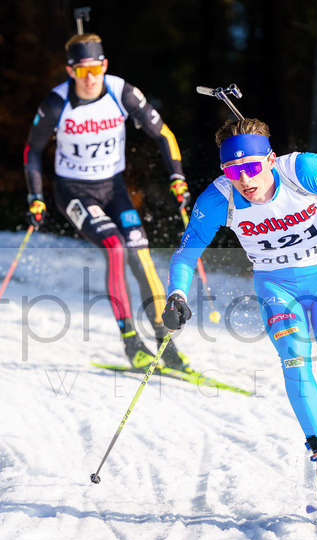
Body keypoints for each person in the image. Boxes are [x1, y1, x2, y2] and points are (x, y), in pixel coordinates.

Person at [161, 117, 317, 522]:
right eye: (232, 170)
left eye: (251, 167)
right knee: (296, 365)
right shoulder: (218, 199)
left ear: (270, 159)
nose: (244, 179)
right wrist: (176, 294)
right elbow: (185, 254)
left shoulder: (305, 170)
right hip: (276, 288)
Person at [23, 33, 192, 371]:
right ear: (70, 71)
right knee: (115, 248)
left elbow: (164, 134)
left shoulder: (121, 92)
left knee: (139, 252)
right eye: (81, 71)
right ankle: (131, 343)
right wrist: (35, 196)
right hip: (73, 190)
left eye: (95, 69)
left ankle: (165, 343)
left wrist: (177, 176)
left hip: (113, 189)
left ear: (105, 66)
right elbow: (32, 149)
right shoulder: (56, 103)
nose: (90, 78)